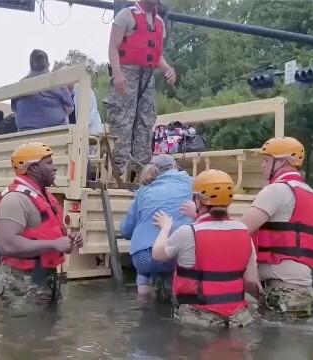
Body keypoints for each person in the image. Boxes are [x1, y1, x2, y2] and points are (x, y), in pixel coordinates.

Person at [151, 169, 260, 328]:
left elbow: (157, 254)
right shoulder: (243, 231)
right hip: (238, 319)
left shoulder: (188, 232)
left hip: (199, 318)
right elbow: (250, 281)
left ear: (197, 200)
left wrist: (165, 227)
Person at [0, 142, 83, 309]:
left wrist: (70, 240)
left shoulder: (46, 197)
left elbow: (48, 235)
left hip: (46, 279)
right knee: (22, 332)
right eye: (48, 163)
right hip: (20, 285)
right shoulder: (15, 200)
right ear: (33, 168)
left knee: (46, 332)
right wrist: (55, 244)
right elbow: (7, 245)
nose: (54, 168)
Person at [240, 136, 313, 317]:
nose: (262, 165)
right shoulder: (312, 194)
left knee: (274, 344)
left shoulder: (276, 190)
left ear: (283, 162)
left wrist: (203, 216)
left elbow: (238, 232)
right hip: (309, 285)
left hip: (285, 288)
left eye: (266, 160)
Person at [105, 0, 177, 181]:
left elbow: (156, 53)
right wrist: (118, 73)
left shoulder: (159, 22)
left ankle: (140, 174)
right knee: (122, 123)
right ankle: (118, 174)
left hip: (147, 75)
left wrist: (168, 69)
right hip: (127, 71)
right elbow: (113, 46)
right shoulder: (126, 16)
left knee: (145, 123)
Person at [120, 155, 192, 300]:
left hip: (143, 256)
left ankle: (143, 296)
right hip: (174, 254)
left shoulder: (142, 191)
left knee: (143, 274)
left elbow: (126, 229)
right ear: (174, 167)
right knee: (176, 277)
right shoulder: (188, 182)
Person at [12, 50, 75, 131]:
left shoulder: (20, 84)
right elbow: (70, 106)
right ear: (47, 64)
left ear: (30, 65)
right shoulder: (56, 81)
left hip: (26, 131)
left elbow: (14, 108)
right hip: (55, 130)